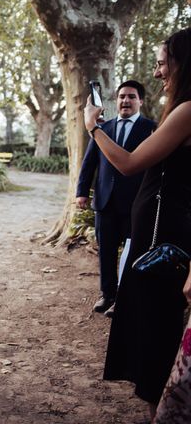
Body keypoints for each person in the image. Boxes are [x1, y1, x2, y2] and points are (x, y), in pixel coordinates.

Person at [83, 28, 191, 420]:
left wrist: (92, 127)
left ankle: (160, 411)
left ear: (183, 62)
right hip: (153, 236)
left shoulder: (187, 110)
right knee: (150, 325)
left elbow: (129, 163)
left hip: (166, 241)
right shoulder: (178, 108)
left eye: (164, 63)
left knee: (158, 328)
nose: (159, 72)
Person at [76, 80, 156, 317]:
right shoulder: (103, 128)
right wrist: (81, 192)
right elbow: (89, 162)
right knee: (106, 252)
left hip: (136, 204)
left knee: (131, 254)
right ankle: (107, 295)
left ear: (140, 101)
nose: (126, 101)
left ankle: (123, 298)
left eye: (131, 97)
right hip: (105, 202)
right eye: (122, 96)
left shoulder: (152, 129)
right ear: (116, 101)